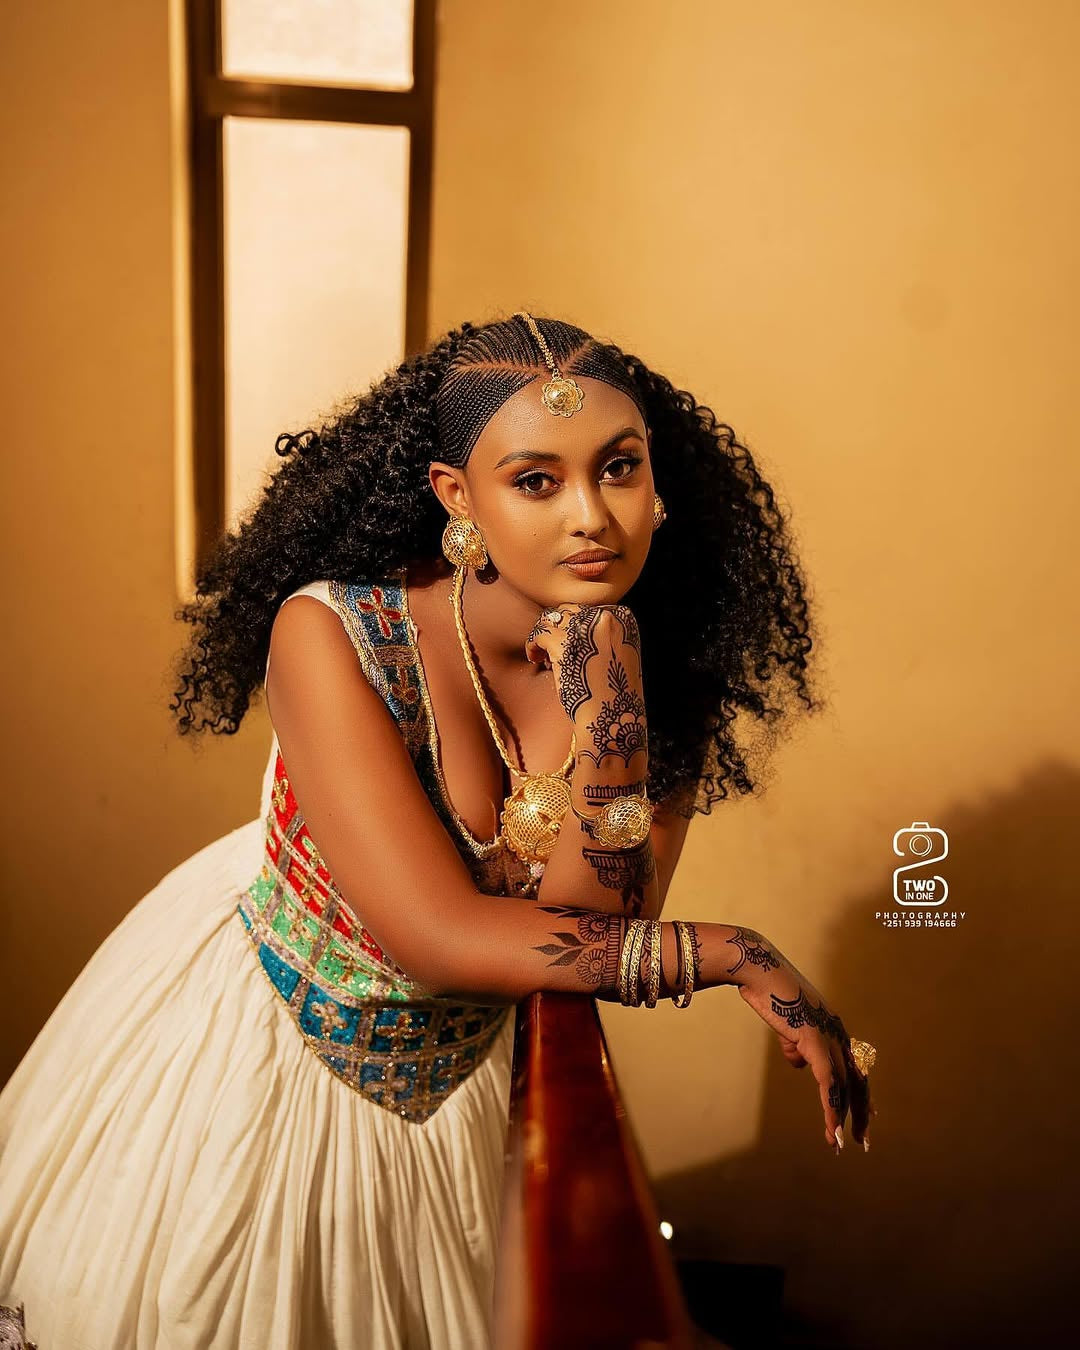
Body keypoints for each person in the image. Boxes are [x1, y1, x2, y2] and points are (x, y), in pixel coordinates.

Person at [0, 311, 875, 1349]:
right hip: (272, 1051)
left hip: (458, 1080)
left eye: (620, 469)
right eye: (537, 481)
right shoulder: (331, 632)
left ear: (658, 485)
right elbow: (439, 938)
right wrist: (737, 953)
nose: (591, 515)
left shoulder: (648, 675)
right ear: (458, 500)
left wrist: (610, 691)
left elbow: (593, 919)